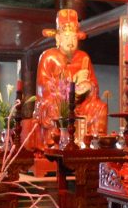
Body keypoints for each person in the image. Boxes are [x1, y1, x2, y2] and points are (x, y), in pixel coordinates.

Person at [35, 9, 108, 146]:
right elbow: (44, 87)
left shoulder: (83, 57)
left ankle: (93, 141)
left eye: (73, 37)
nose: (70, 41)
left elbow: (94, 87)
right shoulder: (48, 57)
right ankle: (57, 141)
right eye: (66, 37)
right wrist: (72, 83)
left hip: (80, 104)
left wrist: (88, 87)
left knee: (99, 107)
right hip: (57, 101)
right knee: (56, 107)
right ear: (58, 38)